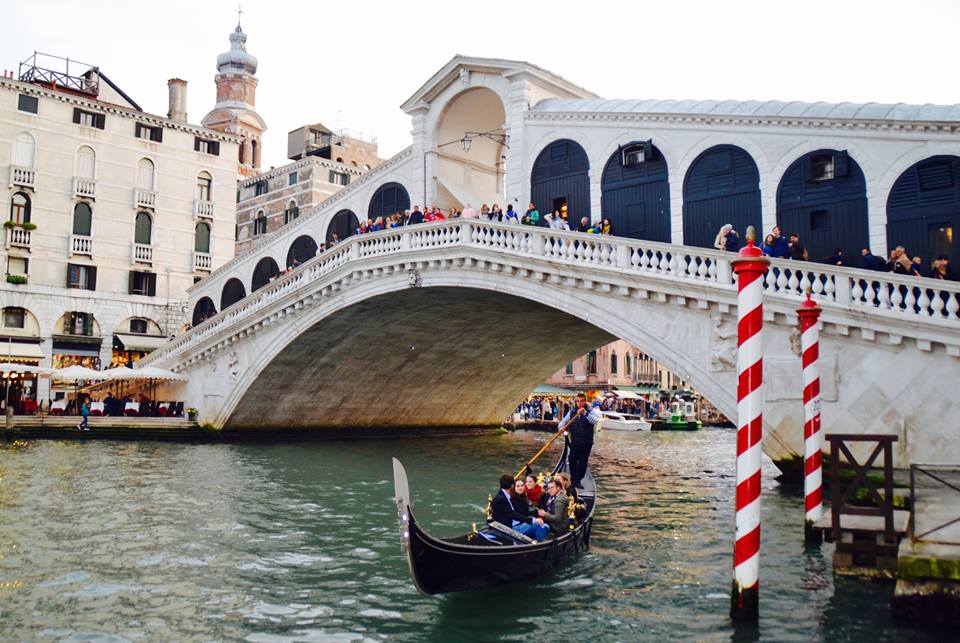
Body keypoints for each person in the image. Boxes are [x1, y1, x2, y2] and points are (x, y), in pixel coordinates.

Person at [558, 393, 601, 489]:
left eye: (581, 401)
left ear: (585, 401)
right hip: (575, 441)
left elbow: (594, 422)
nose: (579, 403)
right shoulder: (572, 412)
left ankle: (577, 481)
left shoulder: (591, 411)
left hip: (587, 442)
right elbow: (563, 422)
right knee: (572, 460)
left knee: (582, 462)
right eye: (577, 401)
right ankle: (573, 480)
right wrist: (561, 427)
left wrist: (585, 413)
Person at [490, 474, 548, 540]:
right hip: (509, 528)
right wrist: (533, 520)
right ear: (512, 486)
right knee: (538, 525)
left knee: (546, 527)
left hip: (516, 523)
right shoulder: (501, 499)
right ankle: (540, 546)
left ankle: (539, 541)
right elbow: (513, 514)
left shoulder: (506, 496)